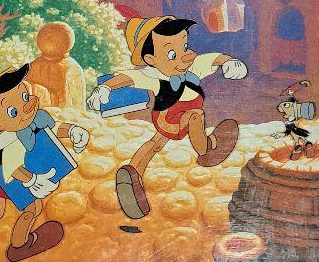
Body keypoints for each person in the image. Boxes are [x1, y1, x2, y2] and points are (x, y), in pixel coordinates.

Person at [87, 15, 248, 220]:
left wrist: (230, 62)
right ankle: (206, 150)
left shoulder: (192, 67)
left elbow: (212, 58)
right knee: (195, 117)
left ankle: (133, 172)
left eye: (184, 46)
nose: (184, 56)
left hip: (178, 120)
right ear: (151, 60)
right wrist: (105, 88)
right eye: (172, 53)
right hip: (169, 119)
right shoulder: (154, 76)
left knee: (155, 143)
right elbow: (128, 78)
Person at [0, 65, 90, 262]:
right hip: (3, 180)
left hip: (30, 173)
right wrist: (32, 180)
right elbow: (12, 168)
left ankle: (19, 245)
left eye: (24, 97)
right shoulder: (11, 143)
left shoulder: (36, 120)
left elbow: (53, 129)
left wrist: (73, 131)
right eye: (12, 111)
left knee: (33, 209)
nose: (26, 107)